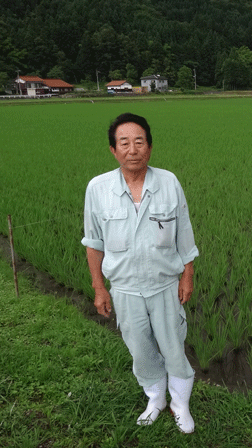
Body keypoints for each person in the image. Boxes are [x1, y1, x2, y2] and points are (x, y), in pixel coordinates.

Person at [81, 112, 199, 433]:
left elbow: (183, 232)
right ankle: (155, 397)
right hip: (125, 288)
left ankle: (180, 403)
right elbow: (93, 243)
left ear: (149, 147)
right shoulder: (98, 189)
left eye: (139, 142)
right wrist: (99, 288)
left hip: (164, 285)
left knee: (173, 343)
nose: (132, 149)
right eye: (124, 143)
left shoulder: (169, 182)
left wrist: (187, 275)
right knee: (140, 348)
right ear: (113, 150)